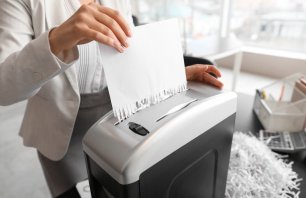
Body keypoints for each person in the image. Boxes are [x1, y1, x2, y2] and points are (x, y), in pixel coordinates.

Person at [0, 0, 223, 197]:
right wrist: (56, 41)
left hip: (117, 123)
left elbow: (128, 55)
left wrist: (171, 76)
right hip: (58, 135)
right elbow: (3, 88)